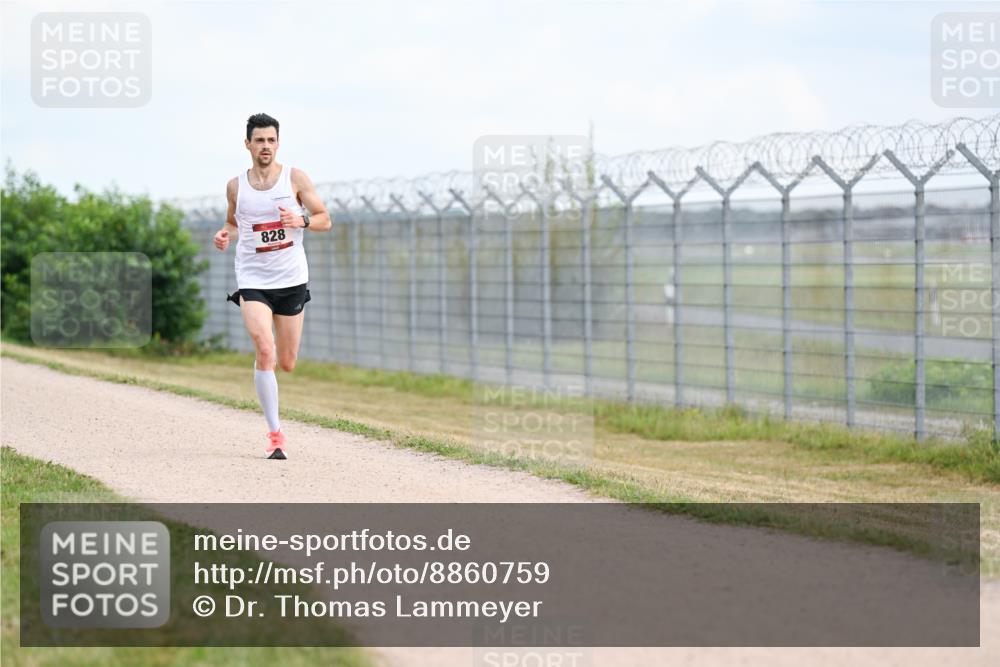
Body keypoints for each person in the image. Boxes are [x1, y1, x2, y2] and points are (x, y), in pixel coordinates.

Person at [213, 113, 331, 459]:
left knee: (288, 361)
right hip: (252, 279)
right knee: (265, 349)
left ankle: (276, 378)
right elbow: (233, 223)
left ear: (278, 144)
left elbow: (325, 219)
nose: (265, 146)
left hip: (291, 279)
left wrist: (302, 220)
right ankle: (275, 434)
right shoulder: (235, 186)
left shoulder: (295, 178)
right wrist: (224, 235)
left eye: (271, 140)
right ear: (247, 144)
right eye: (259, 140)